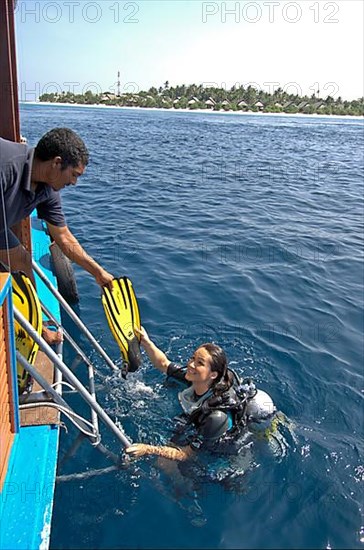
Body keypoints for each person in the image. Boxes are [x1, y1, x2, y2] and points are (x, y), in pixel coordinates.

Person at [0, 127, 114, 343]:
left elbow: (64, 238)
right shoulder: (6, 167)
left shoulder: (47, 190)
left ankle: (35, 329)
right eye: (74, 175)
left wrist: (97, 272)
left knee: (23, 261)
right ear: (56, 163)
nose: (74, 183)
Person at [126, 327, 276, 462]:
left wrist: (148, 449)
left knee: (164, 464)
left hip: (225, 453)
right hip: (202, 424)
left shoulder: (216, 417)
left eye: (200, 363)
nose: (191, 365)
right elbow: (164, 364)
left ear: (213, 375)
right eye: (193, 358)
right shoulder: (197, 379)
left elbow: (186, 455)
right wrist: (146, 341)